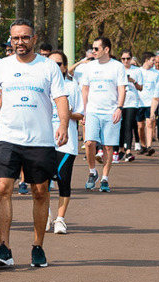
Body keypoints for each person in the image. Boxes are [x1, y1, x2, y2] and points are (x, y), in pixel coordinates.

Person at [0, 20, 70, 269]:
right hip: (8, 138)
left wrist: (62, 126)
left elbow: (61, 99)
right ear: (10, 40)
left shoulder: (48, 67)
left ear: (34, 38)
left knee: (40, 192)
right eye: (15, 38)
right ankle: (4, 248)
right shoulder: (2, 67)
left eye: (25, 37)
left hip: (40, 140)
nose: (20, 42)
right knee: (2, 190)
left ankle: (38, 246)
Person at [78, 36, 126, 192]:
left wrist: (119, 107)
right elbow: (85, 89)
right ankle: (92, 172)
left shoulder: (117, 67)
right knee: (89, 143)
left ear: (106, 50)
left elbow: (121, 89)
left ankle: (105, 178)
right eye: (93, 48)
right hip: (92, 110)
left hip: (111, 111)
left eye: (96, 48)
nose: (93, 51)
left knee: (107, 146)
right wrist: (84, 111)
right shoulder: (89, 67)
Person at [47, 51, 84, 234]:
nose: (55, 67)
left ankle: (60, 219)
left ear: (64, 66)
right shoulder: (42, 86)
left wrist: (66, 113)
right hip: (43, 141)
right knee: (41, 183)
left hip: (65, 143)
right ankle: (46, 215)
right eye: (51, 63)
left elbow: (80, 114)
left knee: (63, 181)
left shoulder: (72, 87)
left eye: (59, 63)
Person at [118, 50, 145, 161]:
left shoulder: (137, 71)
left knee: (129, 126)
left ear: (131, 59)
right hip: (120, 102)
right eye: (123, 59)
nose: (126, 61)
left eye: (128, 58)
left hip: (132, 102)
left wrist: (133, 81)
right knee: (120, 127)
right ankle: (120, 149)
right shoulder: (118, 69)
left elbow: (141, 88)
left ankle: (128, 150)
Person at [138, 52, 159, 153]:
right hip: (139, 102)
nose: (154, 63)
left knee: (149, 123)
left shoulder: (156, 73)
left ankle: (149, 146)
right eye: (153, 60)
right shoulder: (138, 71)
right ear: (146, 60)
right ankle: (143, 145)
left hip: (151, 102)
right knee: (140, 126)